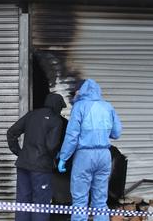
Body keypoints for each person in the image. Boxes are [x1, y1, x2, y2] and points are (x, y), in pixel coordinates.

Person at [57, 79, 122, 221]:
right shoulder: (108, 107)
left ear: (81, 92)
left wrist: (63, 157)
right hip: (105, 155)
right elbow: (116, 133)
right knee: (100, 200)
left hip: (84, 155)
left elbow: (72, 136)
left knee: (80, 200)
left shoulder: (79, 107)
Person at [7, 93, 67, 221]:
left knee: (23, 202)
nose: (60, 111)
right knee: (40, 203)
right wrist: (56, 157)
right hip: (41, 169)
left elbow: (11, 132)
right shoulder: (56, 120)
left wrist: (19, 152)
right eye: (61, 108)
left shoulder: (31, 115)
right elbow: (51, 146)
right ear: (57, 106)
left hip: (23, 165)